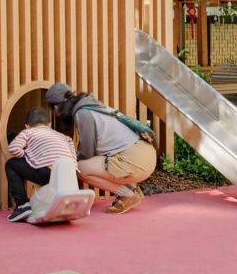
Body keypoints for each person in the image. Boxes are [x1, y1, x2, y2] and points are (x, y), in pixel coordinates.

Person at [45, 82, 157, 214]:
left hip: (135, 160)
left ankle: (128, 195)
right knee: (103, 159)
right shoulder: (92, 105)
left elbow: (87, 152)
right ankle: (132, 189)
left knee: (80, 167)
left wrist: (70, 157)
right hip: (146, 154)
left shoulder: (83, 113)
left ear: (56, 107)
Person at [5, 106, 77, 222]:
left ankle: (22, 205)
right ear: (49, 125)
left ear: (27, 126)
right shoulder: (63, 137)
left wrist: (27, 156)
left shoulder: (28, 132)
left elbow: (13, 148)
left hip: (47, 173)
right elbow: (73, 157)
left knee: (11, 164)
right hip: (68, 176)